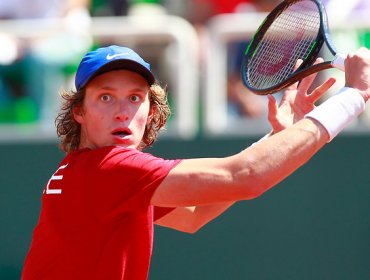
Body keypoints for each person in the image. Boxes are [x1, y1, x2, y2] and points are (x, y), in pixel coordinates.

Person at [21, 45, 370, 279]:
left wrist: (276, 138)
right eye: (106, 97)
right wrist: (354, 96)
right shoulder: (108, 169)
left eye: (134, 98)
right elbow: (246, 175)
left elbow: (193, 216)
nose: (123, 111)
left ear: (151, 111)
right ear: (79, 112)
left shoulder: (86, 171)